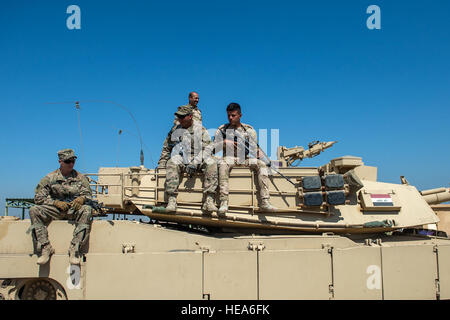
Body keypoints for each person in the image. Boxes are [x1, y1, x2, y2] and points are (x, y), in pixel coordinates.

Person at [29, 149, 93, 265]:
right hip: (56, 210)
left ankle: (74, 248)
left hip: (73, 209)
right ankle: (45, 247)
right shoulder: (50, 178)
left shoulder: (80, 178)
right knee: (34, 210)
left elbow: (88, 195)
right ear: (60, 162)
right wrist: (55, 203)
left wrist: (81, 199)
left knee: (87, 210)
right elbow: (38, 198)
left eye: (73, 161)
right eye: (68, 161)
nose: (71, 164)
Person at [213, 102, 276, 214]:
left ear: (240, 115)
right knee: (223, 163)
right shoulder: (222, 130)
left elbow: (255, 149)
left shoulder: (249, 130)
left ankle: (265, 201)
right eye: (228, 115)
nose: (230, 118)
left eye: (233, 115)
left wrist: (268, 162)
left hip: (245, 159)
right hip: (229, 158)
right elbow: (212, 148)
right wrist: (224, 142)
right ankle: (223, 202)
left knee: (261, 164)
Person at [159, 105, 218, 212]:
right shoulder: (176, 130)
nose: (179, 120)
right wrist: (162, 163)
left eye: (182, 117)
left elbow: (208, 148)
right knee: (172, 161)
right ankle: (172, 199)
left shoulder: (200, 129)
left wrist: (195, 162)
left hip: (198, 157)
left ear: (190, 116)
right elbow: (167, 146)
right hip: (184, 158)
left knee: (212, 162)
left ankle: (209, 200)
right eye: (178, 117)